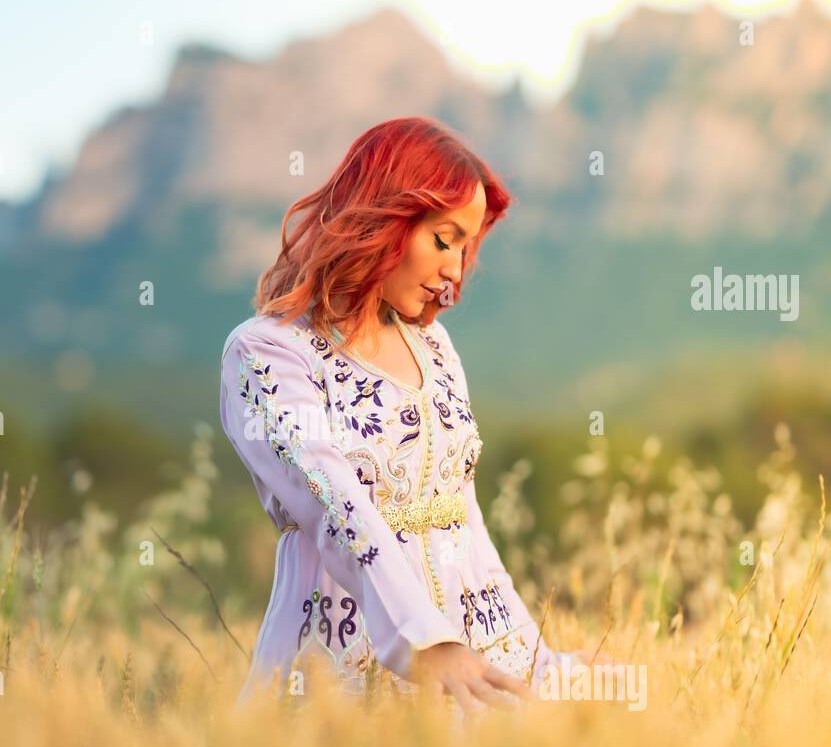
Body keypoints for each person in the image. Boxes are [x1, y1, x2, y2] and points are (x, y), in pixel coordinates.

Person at [220, 117, 607, 714]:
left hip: (463, 672)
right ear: (386, 217)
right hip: (333, 682)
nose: (456, 271)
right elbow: (330, 498)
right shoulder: (268, 352)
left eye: (466, 247)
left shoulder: (436, 348)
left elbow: (465, 527)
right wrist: (425, 644)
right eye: (444, 239)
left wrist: (540, 667)